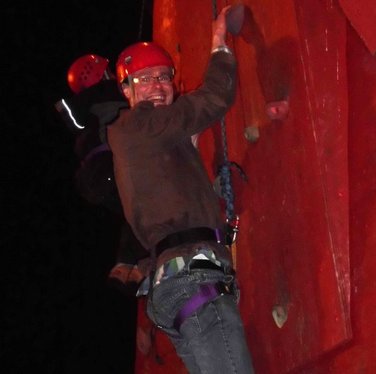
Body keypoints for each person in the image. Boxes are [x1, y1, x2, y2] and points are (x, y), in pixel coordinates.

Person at [107, 6, 254, 373]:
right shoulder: (138, 127)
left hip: (177, 283)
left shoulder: (146, 141)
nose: (158, 86)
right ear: (126, 89)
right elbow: (213, 100)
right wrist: (220, 42)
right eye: (145, 80)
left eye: (164, 78)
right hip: (193, 276)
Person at [56, 54, 151, 294]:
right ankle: (141, 263)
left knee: (134, 211)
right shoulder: (109, 91)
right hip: (108, 165)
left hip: (92, 179)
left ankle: (125, 267)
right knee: (147, 199)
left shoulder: (88, 108)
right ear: (101, 74)